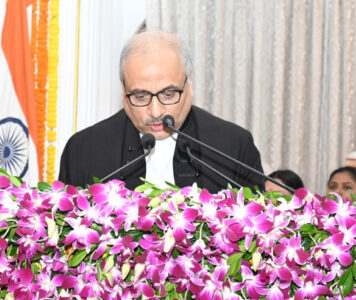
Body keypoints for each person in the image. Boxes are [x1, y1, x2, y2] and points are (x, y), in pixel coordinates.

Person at [58, 30, 264, 192]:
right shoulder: (84, 150)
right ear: (123, 91)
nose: (155, 111)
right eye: (140, 96)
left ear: (189, 85)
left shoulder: (233, 147)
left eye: (168, 94)